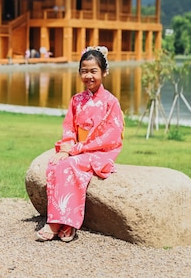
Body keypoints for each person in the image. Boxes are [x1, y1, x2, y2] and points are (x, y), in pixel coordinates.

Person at [36, 46, 124, 243]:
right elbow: (69, 128)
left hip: (99, 150)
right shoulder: (76, 100)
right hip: (78, 148)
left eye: (94, 71)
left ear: (104, 72)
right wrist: (68, 147)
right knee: (55, 164)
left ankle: (62, 223)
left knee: (70, 166)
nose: (88, 76)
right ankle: (63, 221)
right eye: (84, 71)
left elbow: (112, 135)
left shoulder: (111, 102)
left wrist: (77, 149)